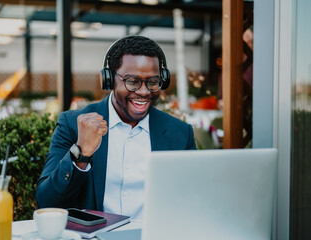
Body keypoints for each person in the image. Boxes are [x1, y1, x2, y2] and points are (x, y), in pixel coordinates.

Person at [36, 35, 197, 220]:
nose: (144, 91)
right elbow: (46, 202)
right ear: (109, 80)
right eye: (132, 81)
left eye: (153, 82)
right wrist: (81, 153)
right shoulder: (73, 124)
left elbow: (194, 200)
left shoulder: (180, 134)